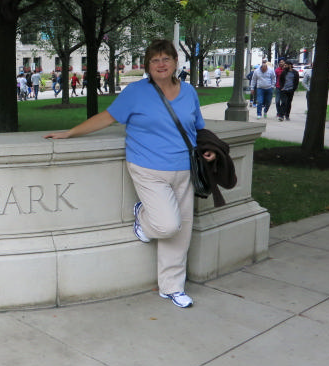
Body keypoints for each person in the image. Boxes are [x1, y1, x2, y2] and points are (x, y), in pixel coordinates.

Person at [45, 40, 216, 308]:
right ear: (148, 66)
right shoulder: (136, 92)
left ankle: (172, 287)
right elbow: (106, 117)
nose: (161, 64)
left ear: (175, 62)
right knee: (167, 225)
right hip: (148, 168)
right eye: (155, 60)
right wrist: (70, 133)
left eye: (166, 59)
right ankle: (143, 217)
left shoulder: (189, 91)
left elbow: (196, 127)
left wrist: (209, 150)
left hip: (184, 168)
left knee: (181, 231)